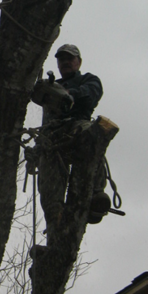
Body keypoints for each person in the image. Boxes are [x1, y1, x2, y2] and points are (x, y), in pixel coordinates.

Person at [31, 44, 111, 225]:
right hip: (53, 135)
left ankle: (96, 194)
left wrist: (68, 94)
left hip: (77, 126)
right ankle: (54, 225)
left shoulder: (89, 80)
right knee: (48, 176)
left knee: (90, 133)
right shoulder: (50, 88)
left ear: (79, 62)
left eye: (70, 58)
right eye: (61, 59)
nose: (65, 62)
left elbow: (91, 94)